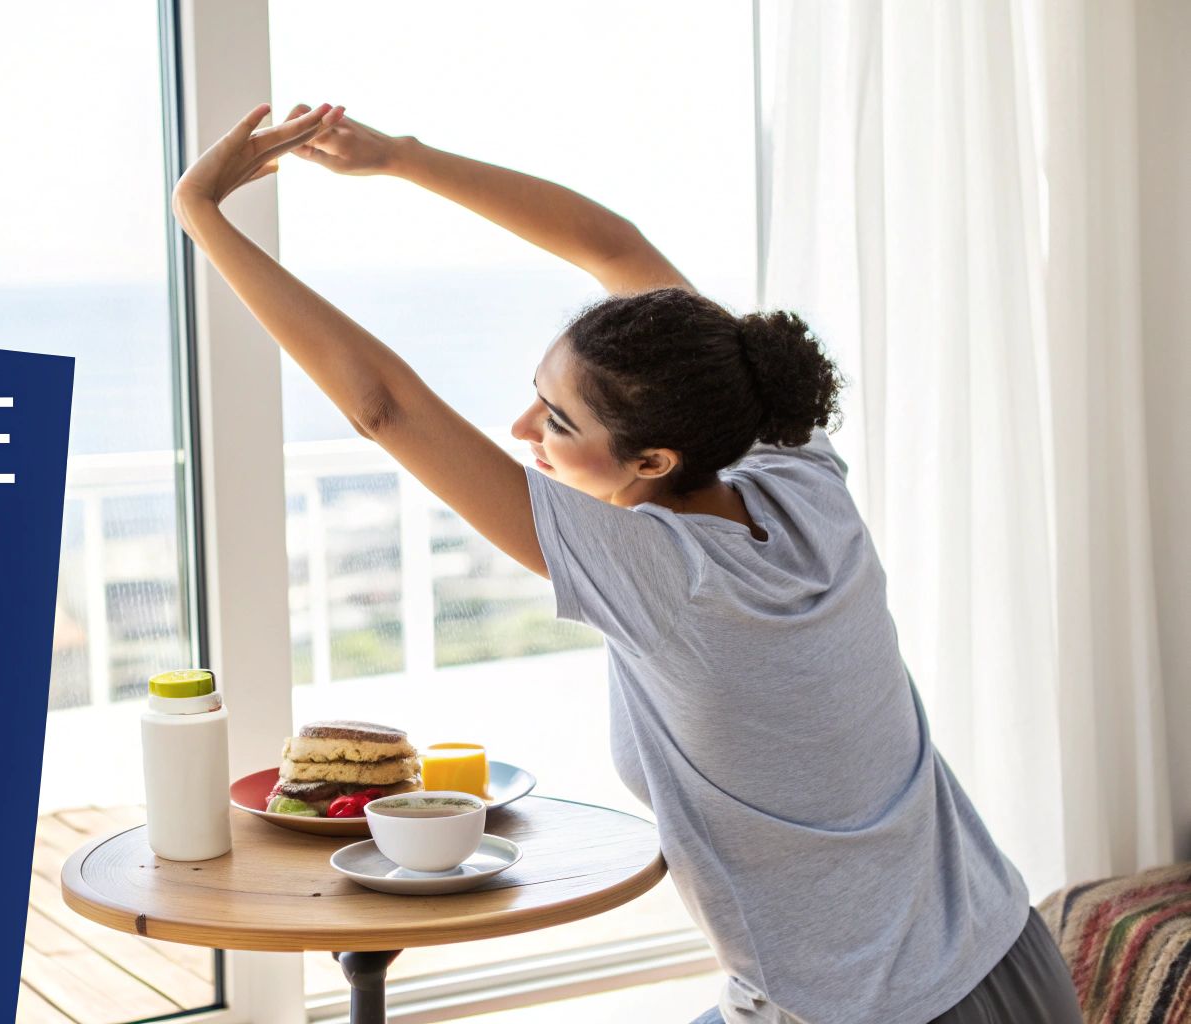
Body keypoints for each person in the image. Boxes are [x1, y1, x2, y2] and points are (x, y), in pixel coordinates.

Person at [171, 102, 1085, 1024]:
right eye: (538, 396)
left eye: (559, 422)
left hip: (872, 1010)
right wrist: (401, 159)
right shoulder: (800, 480)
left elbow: (385, 409)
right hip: (1006, 954)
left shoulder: (661, 573)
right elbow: (616, 248)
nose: (524, 431)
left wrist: (202, 213)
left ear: (654, 463)